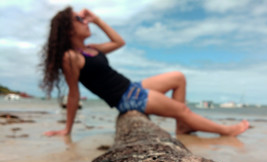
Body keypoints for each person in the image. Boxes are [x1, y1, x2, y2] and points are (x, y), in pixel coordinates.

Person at [41, 7, 249, 137]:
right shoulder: (71, 57)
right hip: (126, 99)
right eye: (79, 19)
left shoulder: (92, 48)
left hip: (132, 87)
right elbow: (74, 94)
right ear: (68, 29)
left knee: (178, 77)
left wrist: (97, 20)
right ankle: (226, 131)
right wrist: (67, 129)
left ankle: (183, 127)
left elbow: (119, 42)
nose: (85, 21)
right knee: (182, 110)